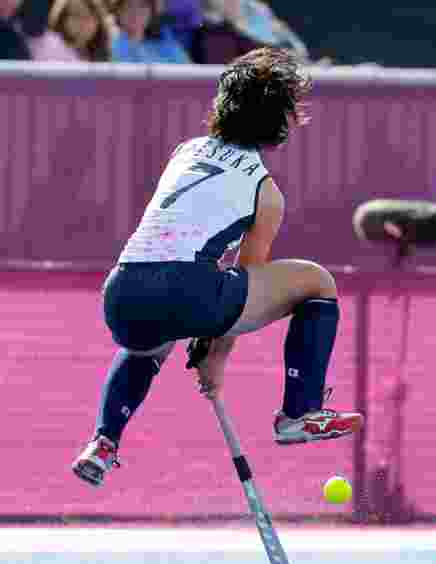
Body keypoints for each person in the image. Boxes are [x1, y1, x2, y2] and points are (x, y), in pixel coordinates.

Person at [72, 47, 364, 487]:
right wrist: (215, 358)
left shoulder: (186, 151)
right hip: (188, 290)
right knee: (316, 281)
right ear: (277, 118)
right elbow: (247, 278)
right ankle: (300, 413)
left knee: (150, 341)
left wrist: (200, 329)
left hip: (122, 292)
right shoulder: (265, 191)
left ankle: (104, 441)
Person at [108, 0, 190, 63]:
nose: (135, 12)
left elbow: (188, 71)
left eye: (142, 6)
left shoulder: (166, 43)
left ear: (151, 12)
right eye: (129, 6)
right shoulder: (110, 45)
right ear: (118, 11)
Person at [47, 0, 113, 62]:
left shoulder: (106, 50)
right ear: (63, 19)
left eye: (88, 16)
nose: (82, 24)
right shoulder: (51, 47)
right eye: (76, 15)